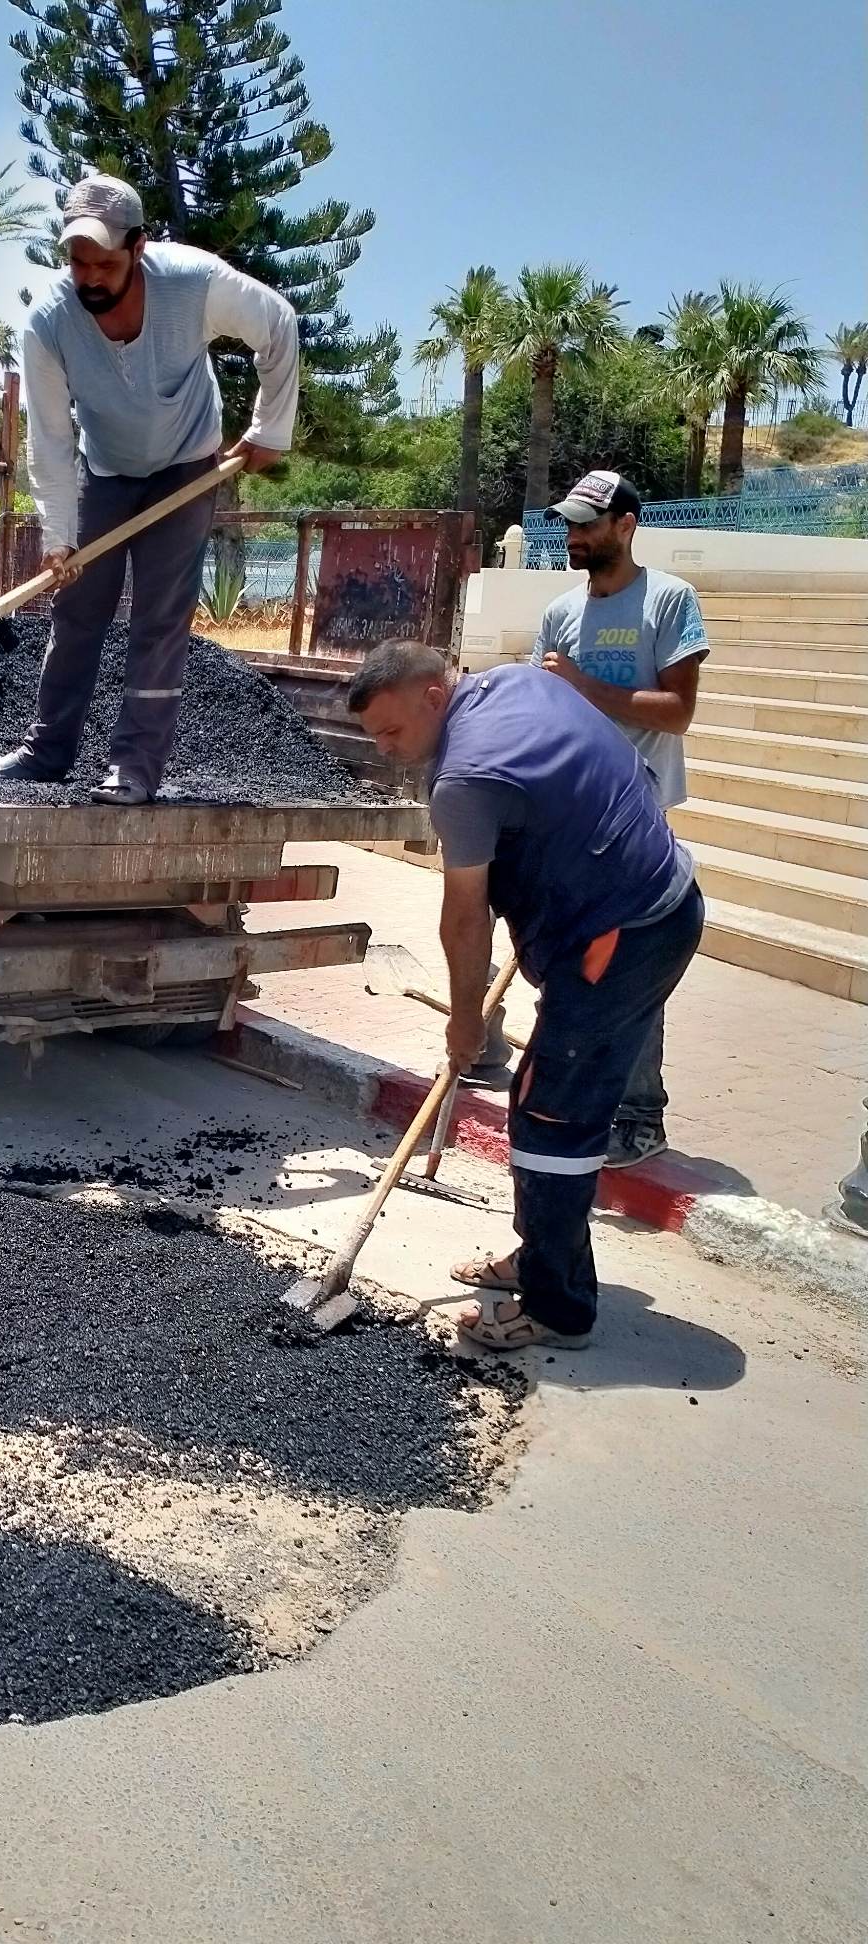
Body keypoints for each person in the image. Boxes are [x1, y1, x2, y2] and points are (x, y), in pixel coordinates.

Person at [349, 640, 704, 1353]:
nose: (387, 750)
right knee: (543, 1099)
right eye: (374, 737)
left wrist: (464, 1023)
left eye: (392, 731)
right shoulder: (512, 683)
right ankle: (541, 1255)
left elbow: (463, 917)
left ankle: (557, 1309)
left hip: (622, 933)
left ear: (433, 696)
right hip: (653, 898)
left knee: (553, 1117)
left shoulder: (463, 781)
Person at [0, 174, 299, 804]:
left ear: (139, 247)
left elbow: (278, 324)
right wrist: (61, 538)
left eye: (104, 262)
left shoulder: (193, 283)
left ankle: (136, 768)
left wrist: (269, 431)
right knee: (76, 610)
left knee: (160, 619)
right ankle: (47, 751)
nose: (89, 276)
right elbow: (49, 439)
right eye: (77, 262)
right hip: (106, 472)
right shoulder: (49, 322)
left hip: (187, 466)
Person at [531, 470, 709, 1168]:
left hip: (640, 820)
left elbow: (678, 711)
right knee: (579, 961)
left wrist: (583, 686)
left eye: (587, 524)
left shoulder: (669, 600)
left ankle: (639, 1118)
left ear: (626, 525)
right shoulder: (559, 614)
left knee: (634, 959)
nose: (574, 537)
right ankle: (584, 1097)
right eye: (569, 525)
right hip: (576, 818)